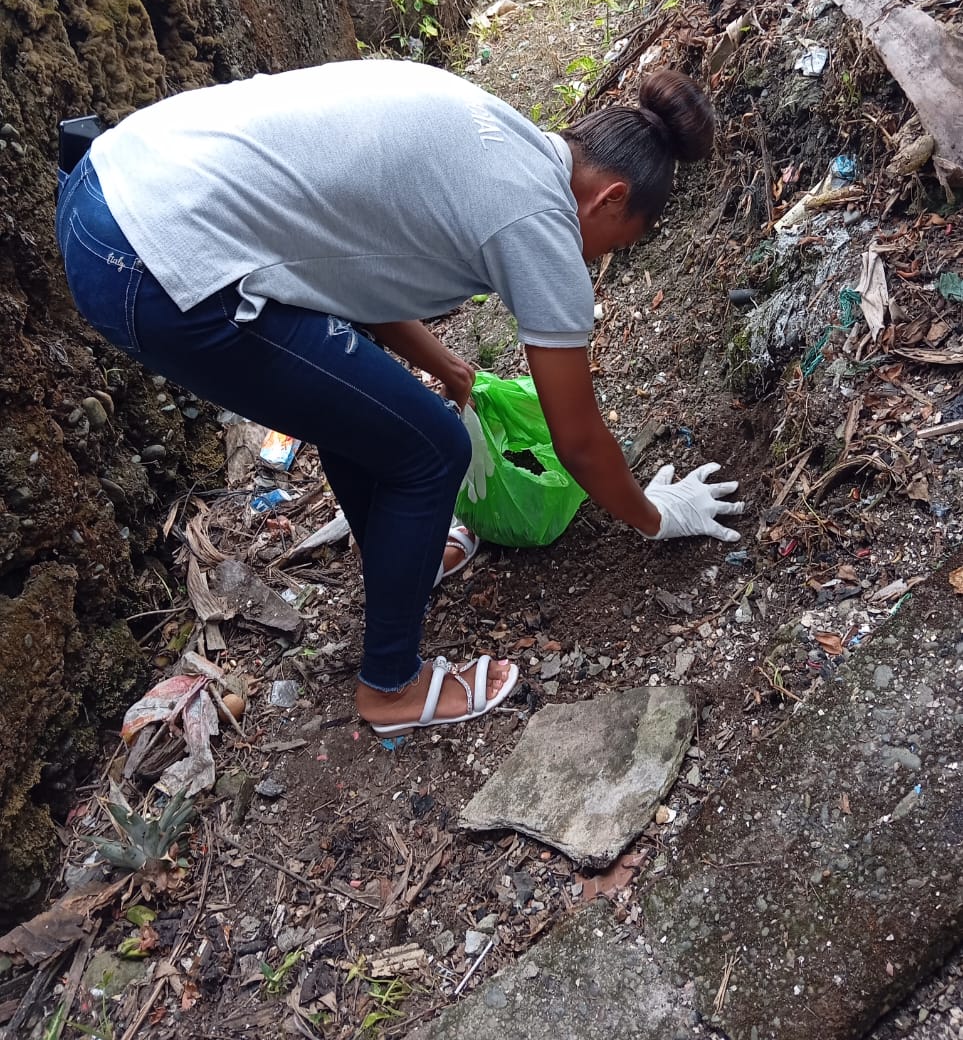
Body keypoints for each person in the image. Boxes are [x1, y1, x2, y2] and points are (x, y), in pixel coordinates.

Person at [56, 59, 744, 736]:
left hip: (113, 181)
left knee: (368, 410)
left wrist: (449, 368)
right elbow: (580, 441)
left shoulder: (496, 133)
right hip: (152, 259)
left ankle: (403, 560)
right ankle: (391, 686)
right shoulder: (538, 223)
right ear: (612, 198)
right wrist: (657, 515)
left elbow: (345, 269)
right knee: (430, 449)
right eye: (611, 247)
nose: (593, 263)